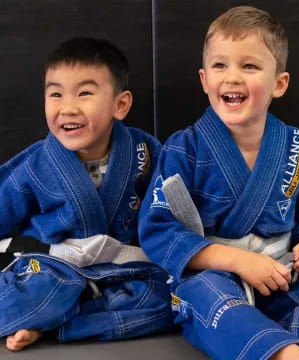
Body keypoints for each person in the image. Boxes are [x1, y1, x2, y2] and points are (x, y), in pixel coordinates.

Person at [140, 6, 299, 360]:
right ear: (204, 80)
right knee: (205, 295)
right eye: (220, 65)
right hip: (217, 279)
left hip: (282, 279)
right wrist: (237, 261)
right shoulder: (182, 149)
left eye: (249, 66)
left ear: (279, 83)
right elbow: (159, 229)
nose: (232, 77)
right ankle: (287, 356)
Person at [0, 38, 173, 351]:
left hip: (123, 269)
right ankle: (54, 312)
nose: (68, 108)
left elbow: (169, 210)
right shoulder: (37, 163)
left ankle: (56, 322)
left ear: (120, 105)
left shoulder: (145, 152)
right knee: (44, 292)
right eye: (55, 94)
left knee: (169, 299)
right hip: (55, 268)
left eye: (84, 94)